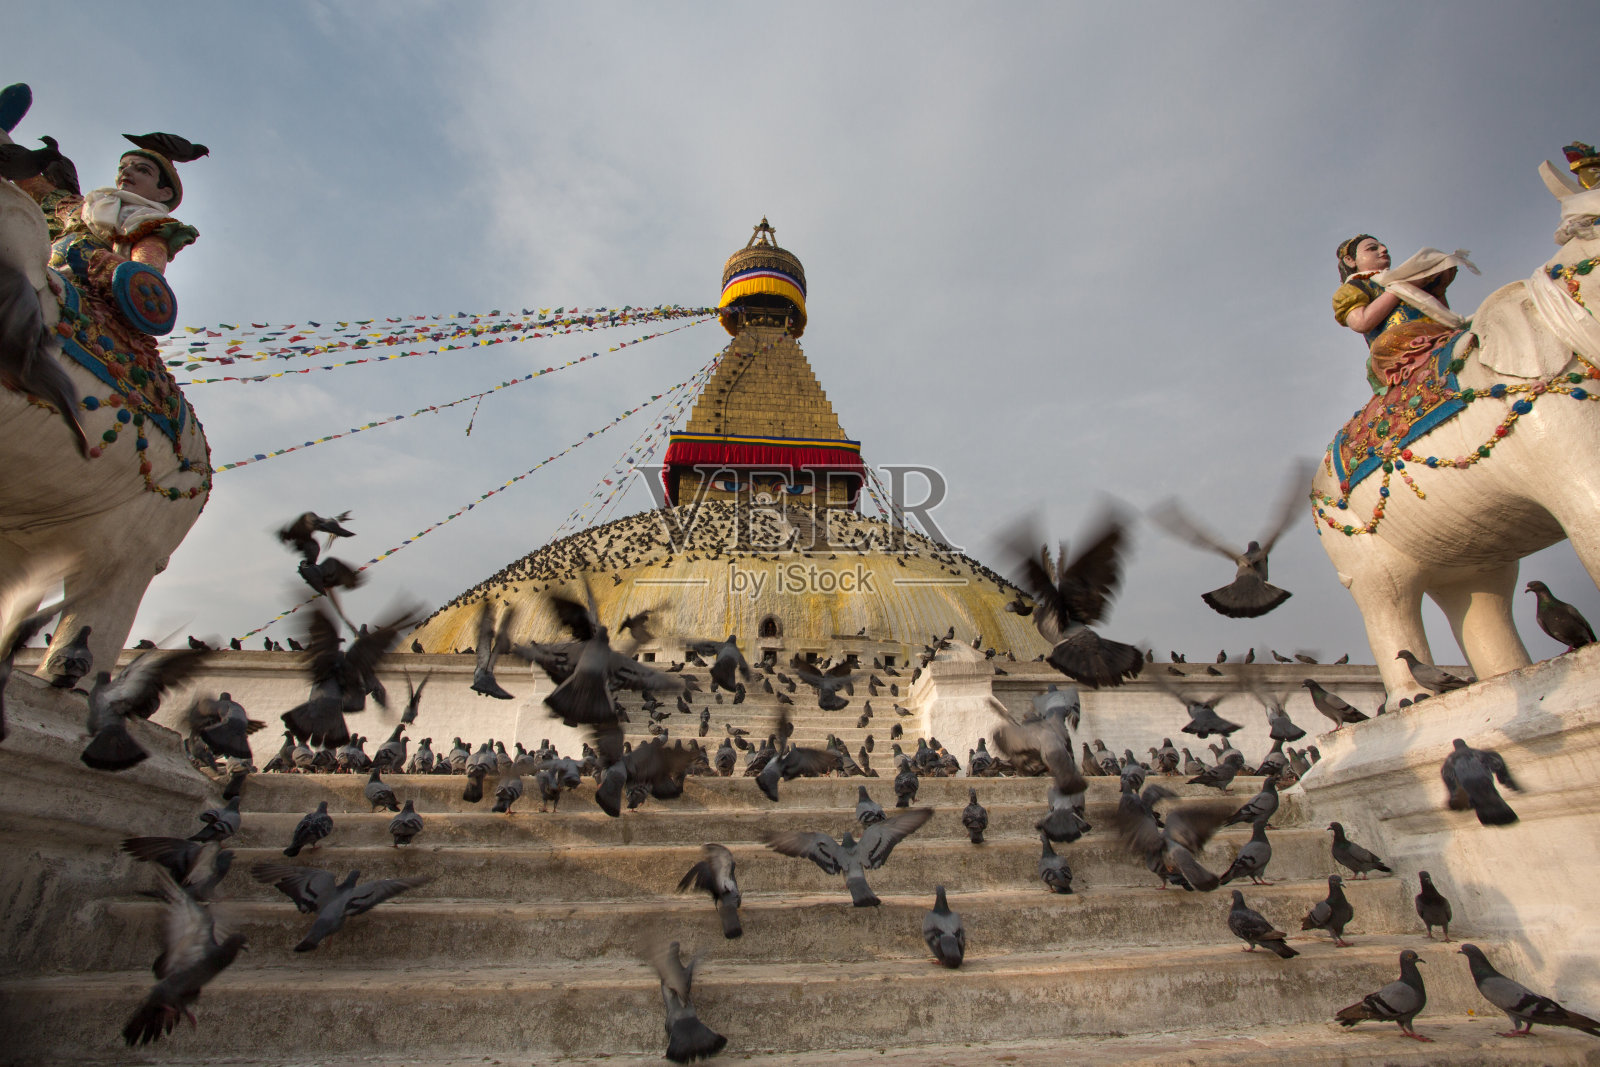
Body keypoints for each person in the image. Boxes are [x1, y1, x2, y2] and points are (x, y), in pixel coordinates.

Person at [1333, 235, 1475, 396]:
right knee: (1388, 342)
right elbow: (1361, 322)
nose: (1383, 250)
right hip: (1398, 344)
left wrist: (1438, 288)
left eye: (1383, 247)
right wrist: (1400, 288)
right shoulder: (1356, 286)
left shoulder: (1403, 280)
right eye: (1372, 248)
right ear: (1350, 260)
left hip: (1436, 332)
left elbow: (1442, 314)